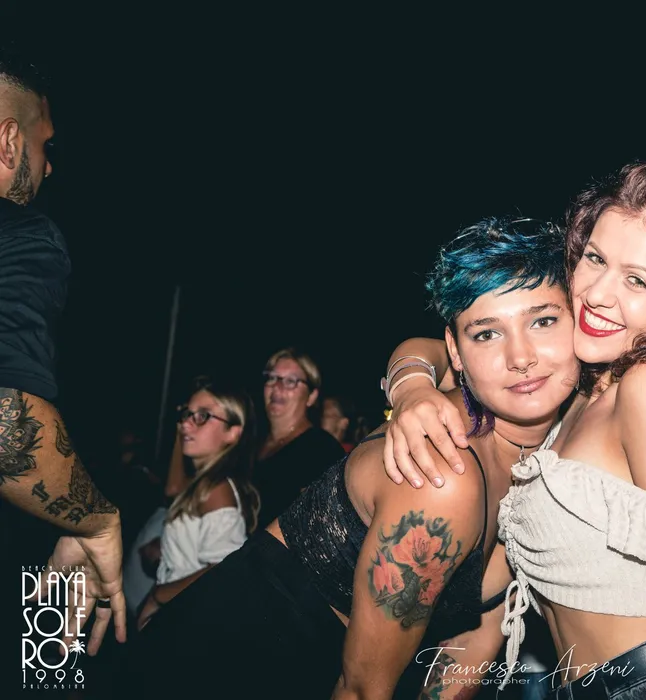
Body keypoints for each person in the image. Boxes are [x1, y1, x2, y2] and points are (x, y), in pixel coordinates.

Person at [115, 217, 580, 699]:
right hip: (216, 668)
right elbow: (362, 689)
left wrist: (411, 382)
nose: (520, 357)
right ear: (456, 353)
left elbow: (475, 635)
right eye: (486, 334)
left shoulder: (547, 457)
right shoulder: (442, 474)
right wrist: (411, 385)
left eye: (542, 321)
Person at [384, 164, 646, 699]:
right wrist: (411, 386)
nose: (597, 294)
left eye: (636, 280)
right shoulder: (581, 392)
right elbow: (446, 342)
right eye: (595, 259)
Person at [0, 53, 125, 654]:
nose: (48, 166)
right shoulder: (22, 232)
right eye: (44, 145)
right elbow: (6, 421)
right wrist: (98, 522)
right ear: (9, 140)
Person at [135, 377, 259, 628]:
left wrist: (158, 597)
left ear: (232, 432)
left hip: (187, 619)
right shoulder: (205, 482)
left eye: (203, 416)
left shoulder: (218, 491)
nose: (186, 423)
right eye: (186, 414)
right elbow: (172, 489)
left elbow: (225, 568)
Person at [254, 348, 346, 527]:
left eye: (290, 381)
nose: (277, 386)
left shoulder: (322, 449)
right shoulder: (250, 441)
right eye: (272, 378)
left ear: (311, 396)